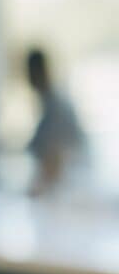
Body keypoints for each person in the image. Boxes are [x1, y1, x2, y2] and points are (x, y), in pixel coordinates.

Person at [24, 48, 88, 195]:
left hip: (70, 192)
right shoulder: (50, 103)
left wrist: (37, 190)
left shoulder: (55, 106)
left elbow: (55, 157)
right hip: (65, 190)